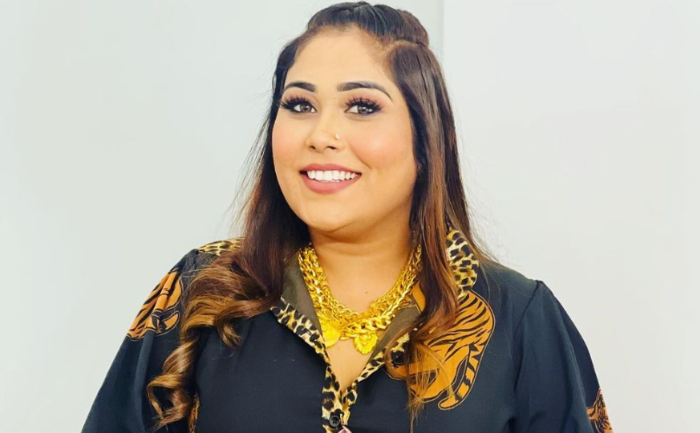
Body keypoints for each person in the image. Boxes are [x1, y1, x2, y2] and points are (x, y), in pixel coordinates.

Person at [80, 2, 614, 433]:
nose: (321, 135)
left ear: (425, 137)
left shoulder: (519, 320)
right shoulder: (204, 291)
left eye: (362, 106)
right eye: (299, 105)